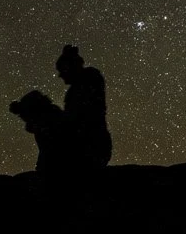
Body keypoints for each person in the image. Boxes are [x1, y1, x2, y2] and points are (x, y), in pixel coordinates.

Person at [11, 44, 112, 176]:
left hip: (90, 148)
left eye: (62, 70)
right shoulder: (81, 86)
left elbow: (74, 121)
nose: (60, 76)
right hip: (92, 146)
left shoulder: (88, 81)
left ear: (70, 67)